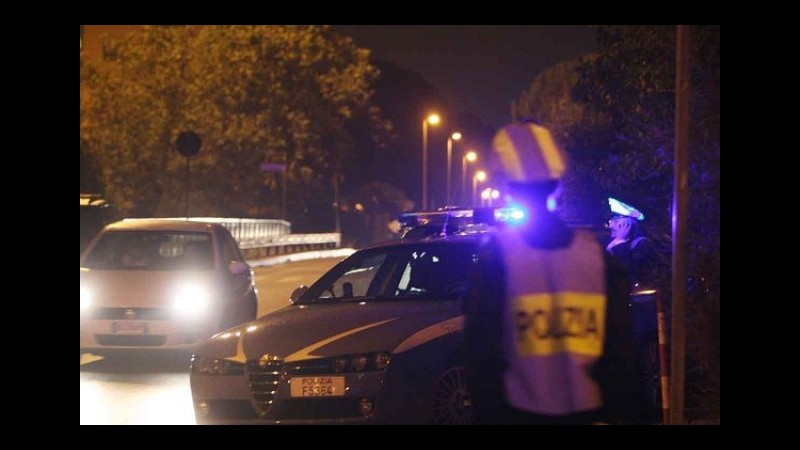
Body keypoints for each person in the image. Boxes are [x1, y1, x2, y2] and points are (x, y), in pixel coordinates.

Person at [464, 121, 643, 425]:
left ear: (508, 188)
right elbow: (621, 357)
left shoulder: (498, 258)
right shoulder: (597, 258)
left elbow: (481, 359)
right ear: (559, 185)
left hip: (518, 415)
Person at [605, 198, 665, 285]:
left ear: (628, 224)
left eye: (616, 220)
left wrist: (620, 242)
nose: (610, 226)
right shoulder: (613, 243)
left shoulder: (642, 245)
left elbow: (629, 274)